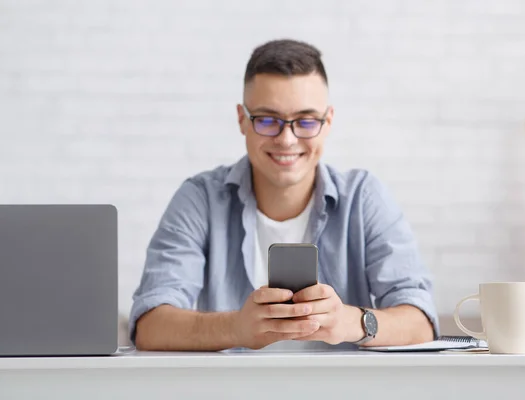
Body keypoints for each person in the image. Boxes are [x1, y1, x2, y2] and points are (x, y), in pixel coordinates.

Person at [129, 39, 439, 351]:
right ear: (242, 120)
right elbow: (150, 325)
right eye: (267, 120)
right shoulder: (200, 199)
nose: (287, 139)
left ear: (327, 121)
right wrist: (235, 328)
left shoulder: (363, 197)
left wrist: (351, 322)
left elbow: (421, 322)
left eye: (306, 121)